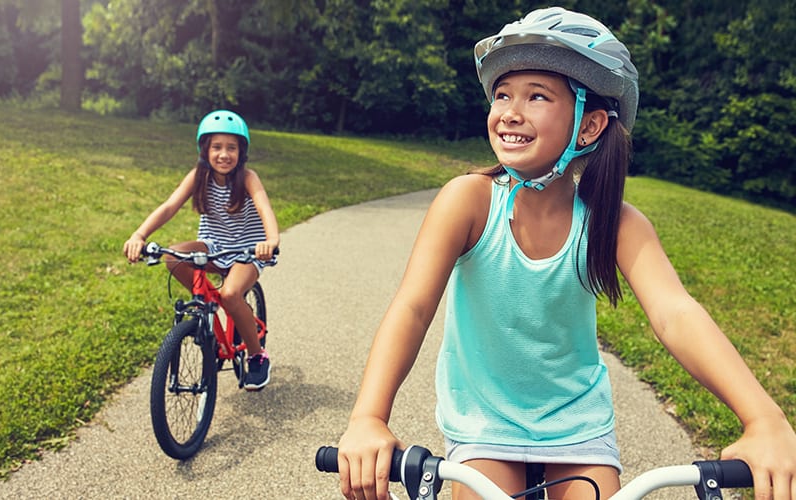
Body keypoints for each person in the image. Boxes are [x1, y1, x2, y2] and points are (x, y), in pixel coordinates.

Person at [336, 7, 796, 500]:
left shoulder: (614, 221)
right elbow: (413, 306)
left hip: (576, 426)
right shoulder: (467, 200)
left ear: (590, 125)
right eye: (502, 95)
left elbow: (675, 313)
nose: (510, 111)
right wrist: (369, 416)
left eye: (537, 96)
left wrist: (763, 418)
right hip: (486, 422)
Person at [123, 109, 280, 391]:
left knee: (231, 294)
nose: (223, 154)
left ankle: (257, 356)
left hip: (247, 251)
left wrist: (271, 240)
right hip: (213, 246)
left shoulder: (247, 177)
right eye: (216, 147)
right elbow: (169, 207)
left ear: (241, 152)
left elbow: (264, 208)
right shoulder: (199, 176)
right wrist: (139, 234)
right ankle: (210, 310)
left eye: (231, 148)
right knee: (172, 256)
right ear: (205, 150)